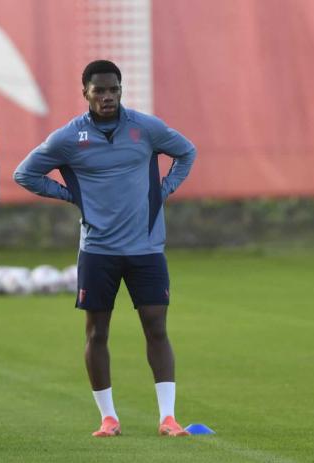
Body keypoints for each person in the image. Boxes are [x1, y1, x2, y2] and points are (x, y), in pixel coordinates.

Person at [14, 60, 196, 437]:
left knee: (156, 328)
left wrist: (162, 192)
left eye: (114, 89)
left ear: (121, 89)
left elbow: (186, 152)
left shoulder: (145, 129)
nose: (108, 96)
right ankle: (108, 418)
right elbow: (25, 173)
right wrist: (70, 196)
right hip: (97, 250)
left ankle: (168, 418)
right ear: (86, 93)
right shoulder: (68, 138)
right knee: (97, 333)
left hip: (146, 248)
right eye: (100, 91)